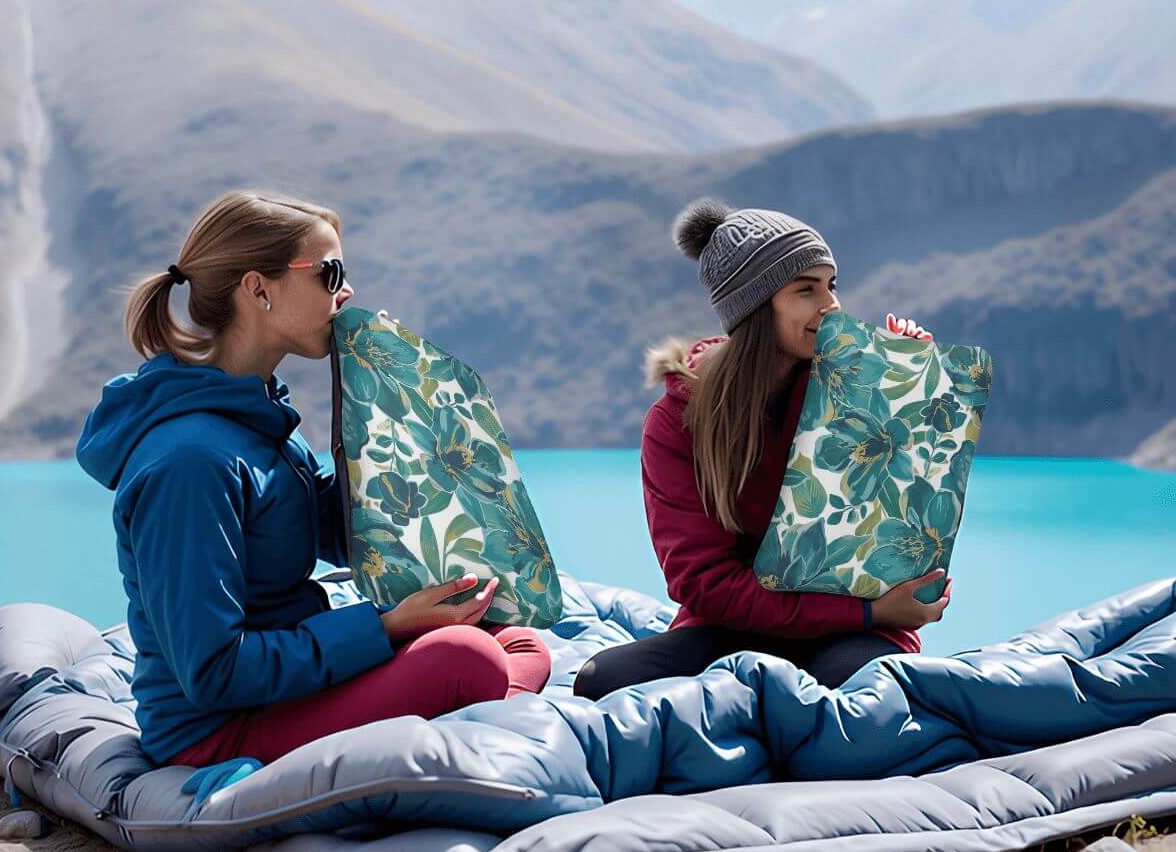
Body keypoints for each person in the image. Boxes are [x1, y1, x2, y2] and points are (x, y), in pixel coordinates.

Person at [76, 191, 550, 767]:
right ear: (258, 289)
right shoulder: (189, 463)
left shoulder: (256, 414)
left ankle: (471, 719)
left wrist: (394, 398)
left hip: (296, 686)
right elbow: (214, 672)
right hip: (220, 728)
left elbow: (336, 530)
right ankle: (478, 721)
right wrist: (389, 627)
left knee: (513, 639)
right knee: (467, 659)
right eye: (330, 273)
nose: (345, 292)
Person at [573, 199, 951, 700]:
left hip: (853, 632)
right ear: (755, 306)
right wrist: (869, 610)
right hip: (737, 626)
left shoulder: (857, 386)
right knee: (602, 681)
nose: (831, 306)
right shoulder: (676, 422)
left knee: (858, 692)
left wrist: (905, 396)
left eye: (831, 285)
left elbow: (905, 536)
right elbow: (705, 585)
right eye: (806, 290)